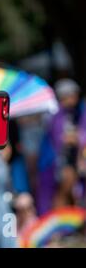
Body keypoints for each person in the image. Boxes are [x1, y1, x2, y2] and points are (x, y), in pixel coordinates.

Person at [37, 78, 86, 214]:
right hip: (56, 161)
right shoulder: (54, 114)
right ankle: (56, 226)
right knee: (61, 193)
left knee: (72, 193)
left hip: (72, 160)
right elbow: (59, 139)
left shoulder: (78, 112)